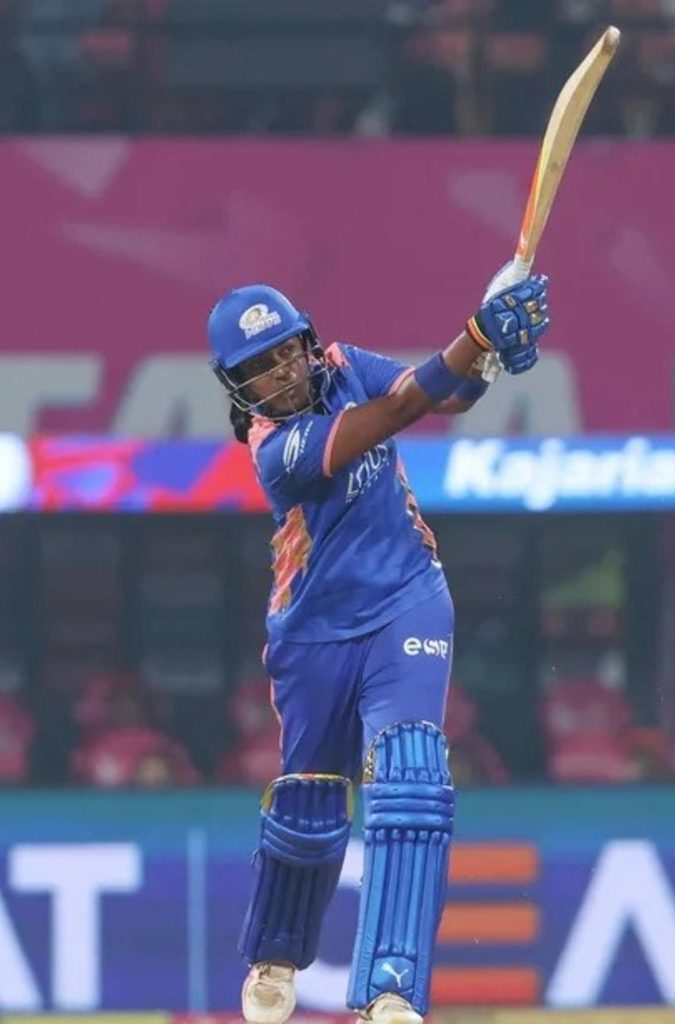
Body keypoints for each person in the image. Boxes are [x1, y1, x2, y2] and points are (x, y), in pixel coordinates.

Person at [205, 264, 550, 1024]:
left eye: (286, 352)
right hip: (314, 635)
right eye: (259, 368)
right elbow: (394, 414)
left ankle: (391, 986)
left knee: (413, 784)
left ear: (306, 342)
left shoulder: (345, 365)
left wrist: (489, 354)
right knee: (311, 806)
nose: (282, 373)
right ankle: (277, 948)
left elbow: (445, 396)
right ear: (238, 388)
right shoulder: (276, 449)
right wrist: (474, 334)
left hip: (407, 601)